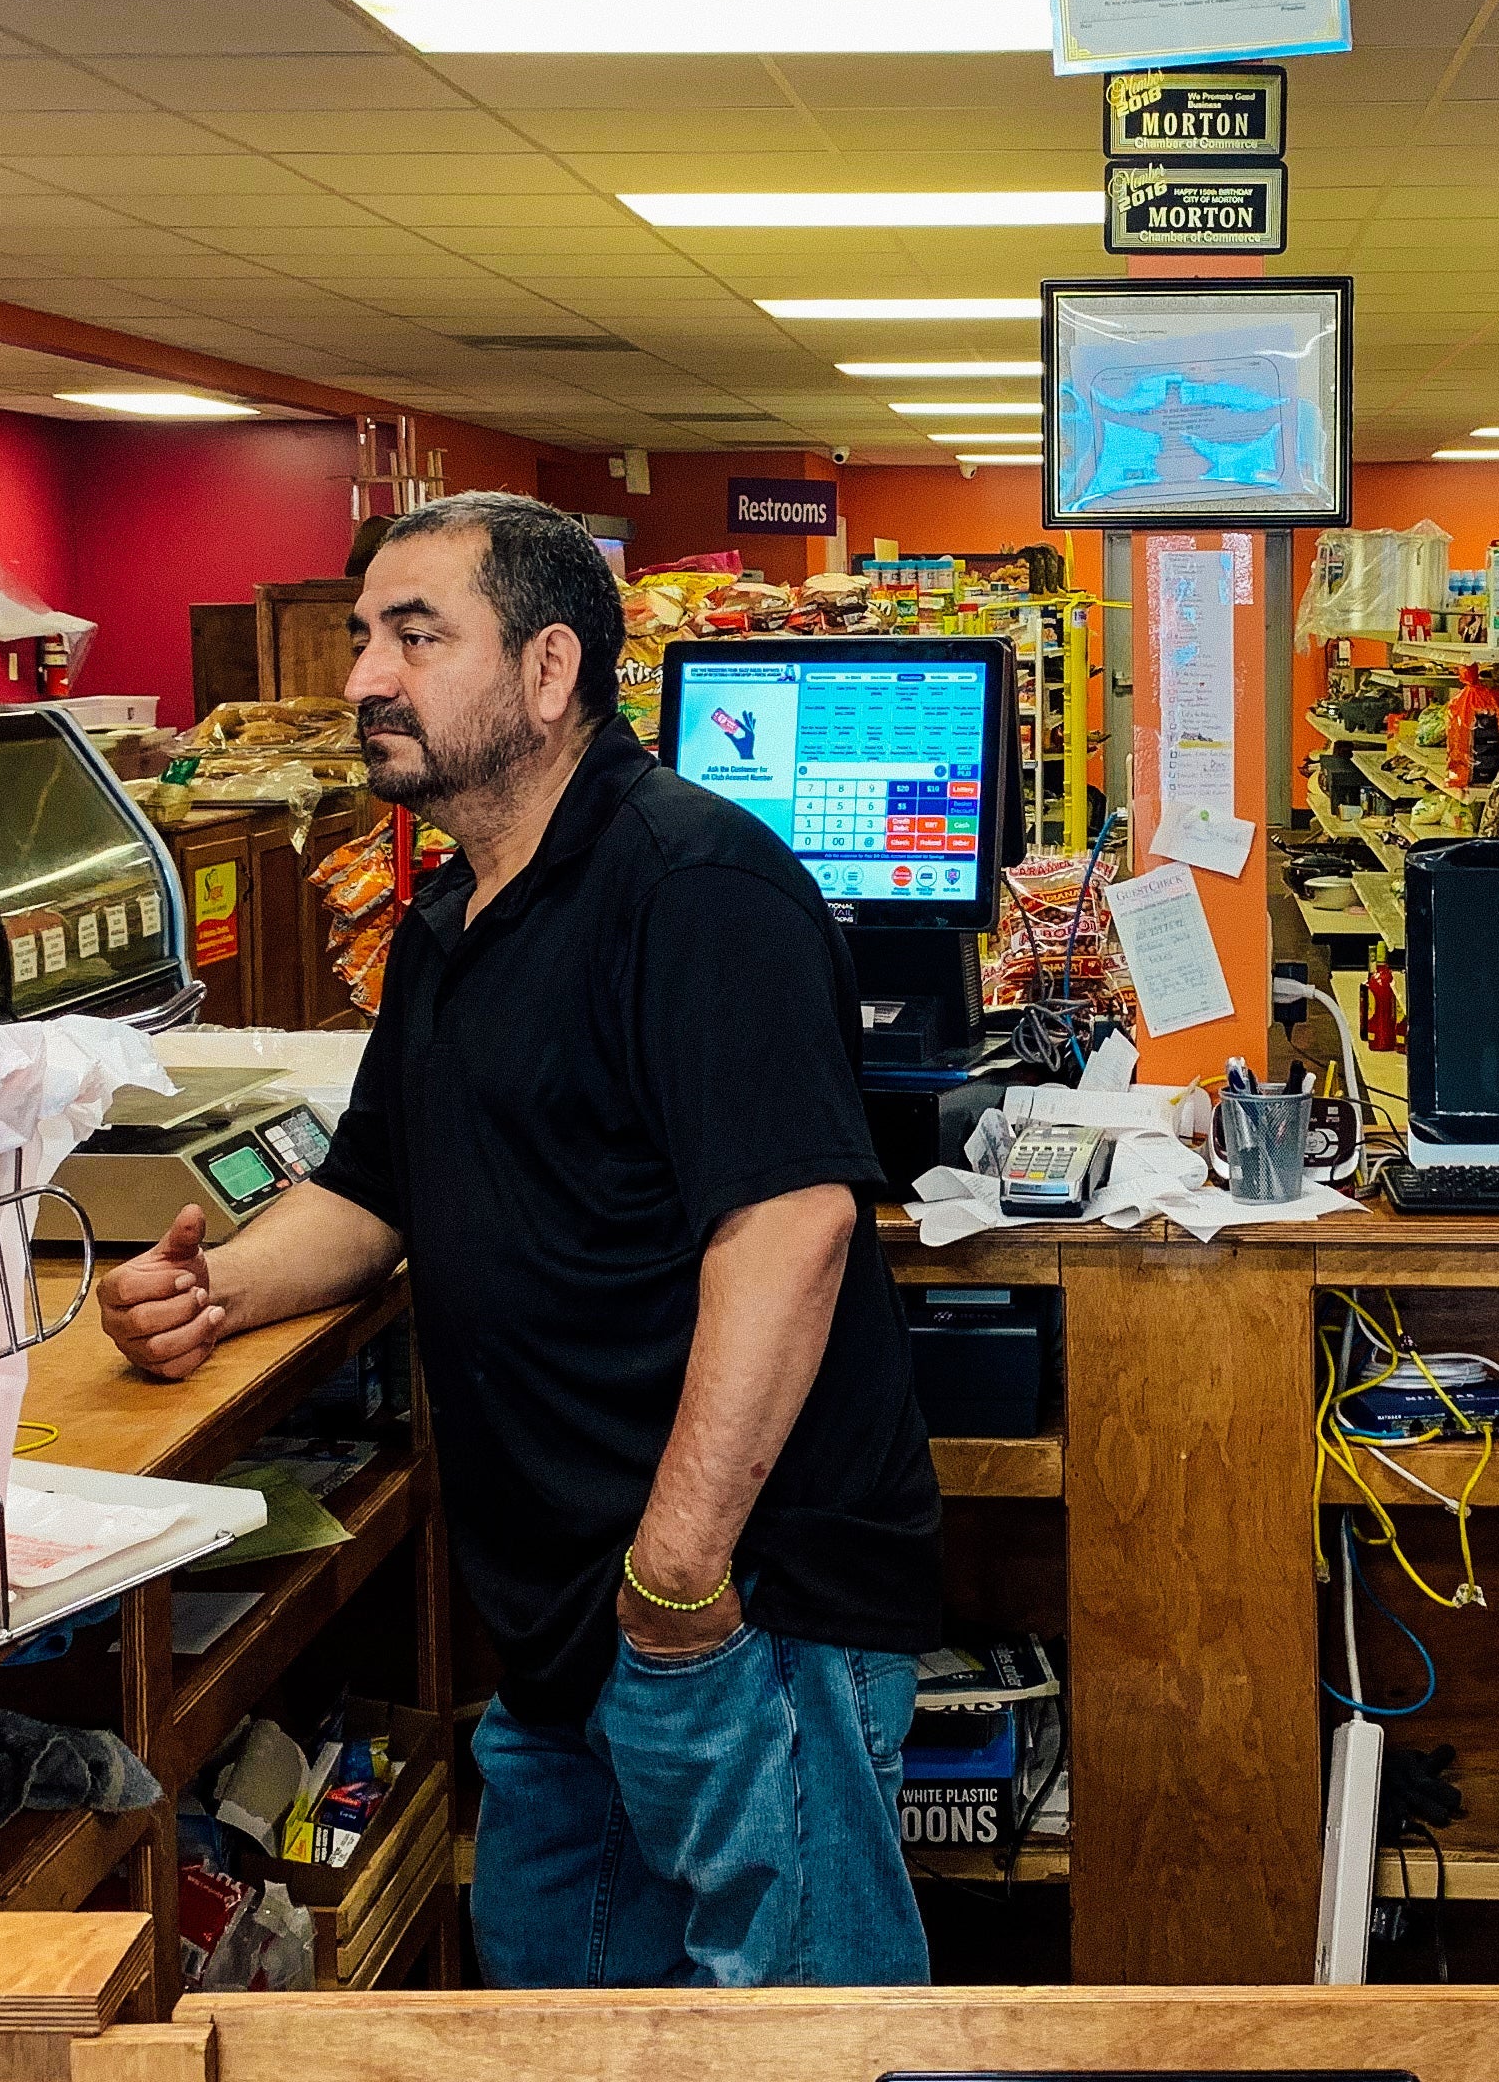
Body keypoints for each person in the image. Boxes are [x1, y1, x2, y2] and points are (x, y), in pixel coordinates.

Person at [96, 493, 939, 1988]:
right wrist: (211, 1290)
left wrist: (679, 1578)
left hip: (741, 1615)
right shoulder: (450, 926)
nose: (365, 678)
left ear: (550, 672)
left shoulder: (697, 887)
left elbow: (795, 1224)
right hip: (562, 1634)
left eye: (418, 638)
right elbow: (370, 1197)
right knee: (553, 2013)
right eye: (366, 638)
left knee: (804, 2032)